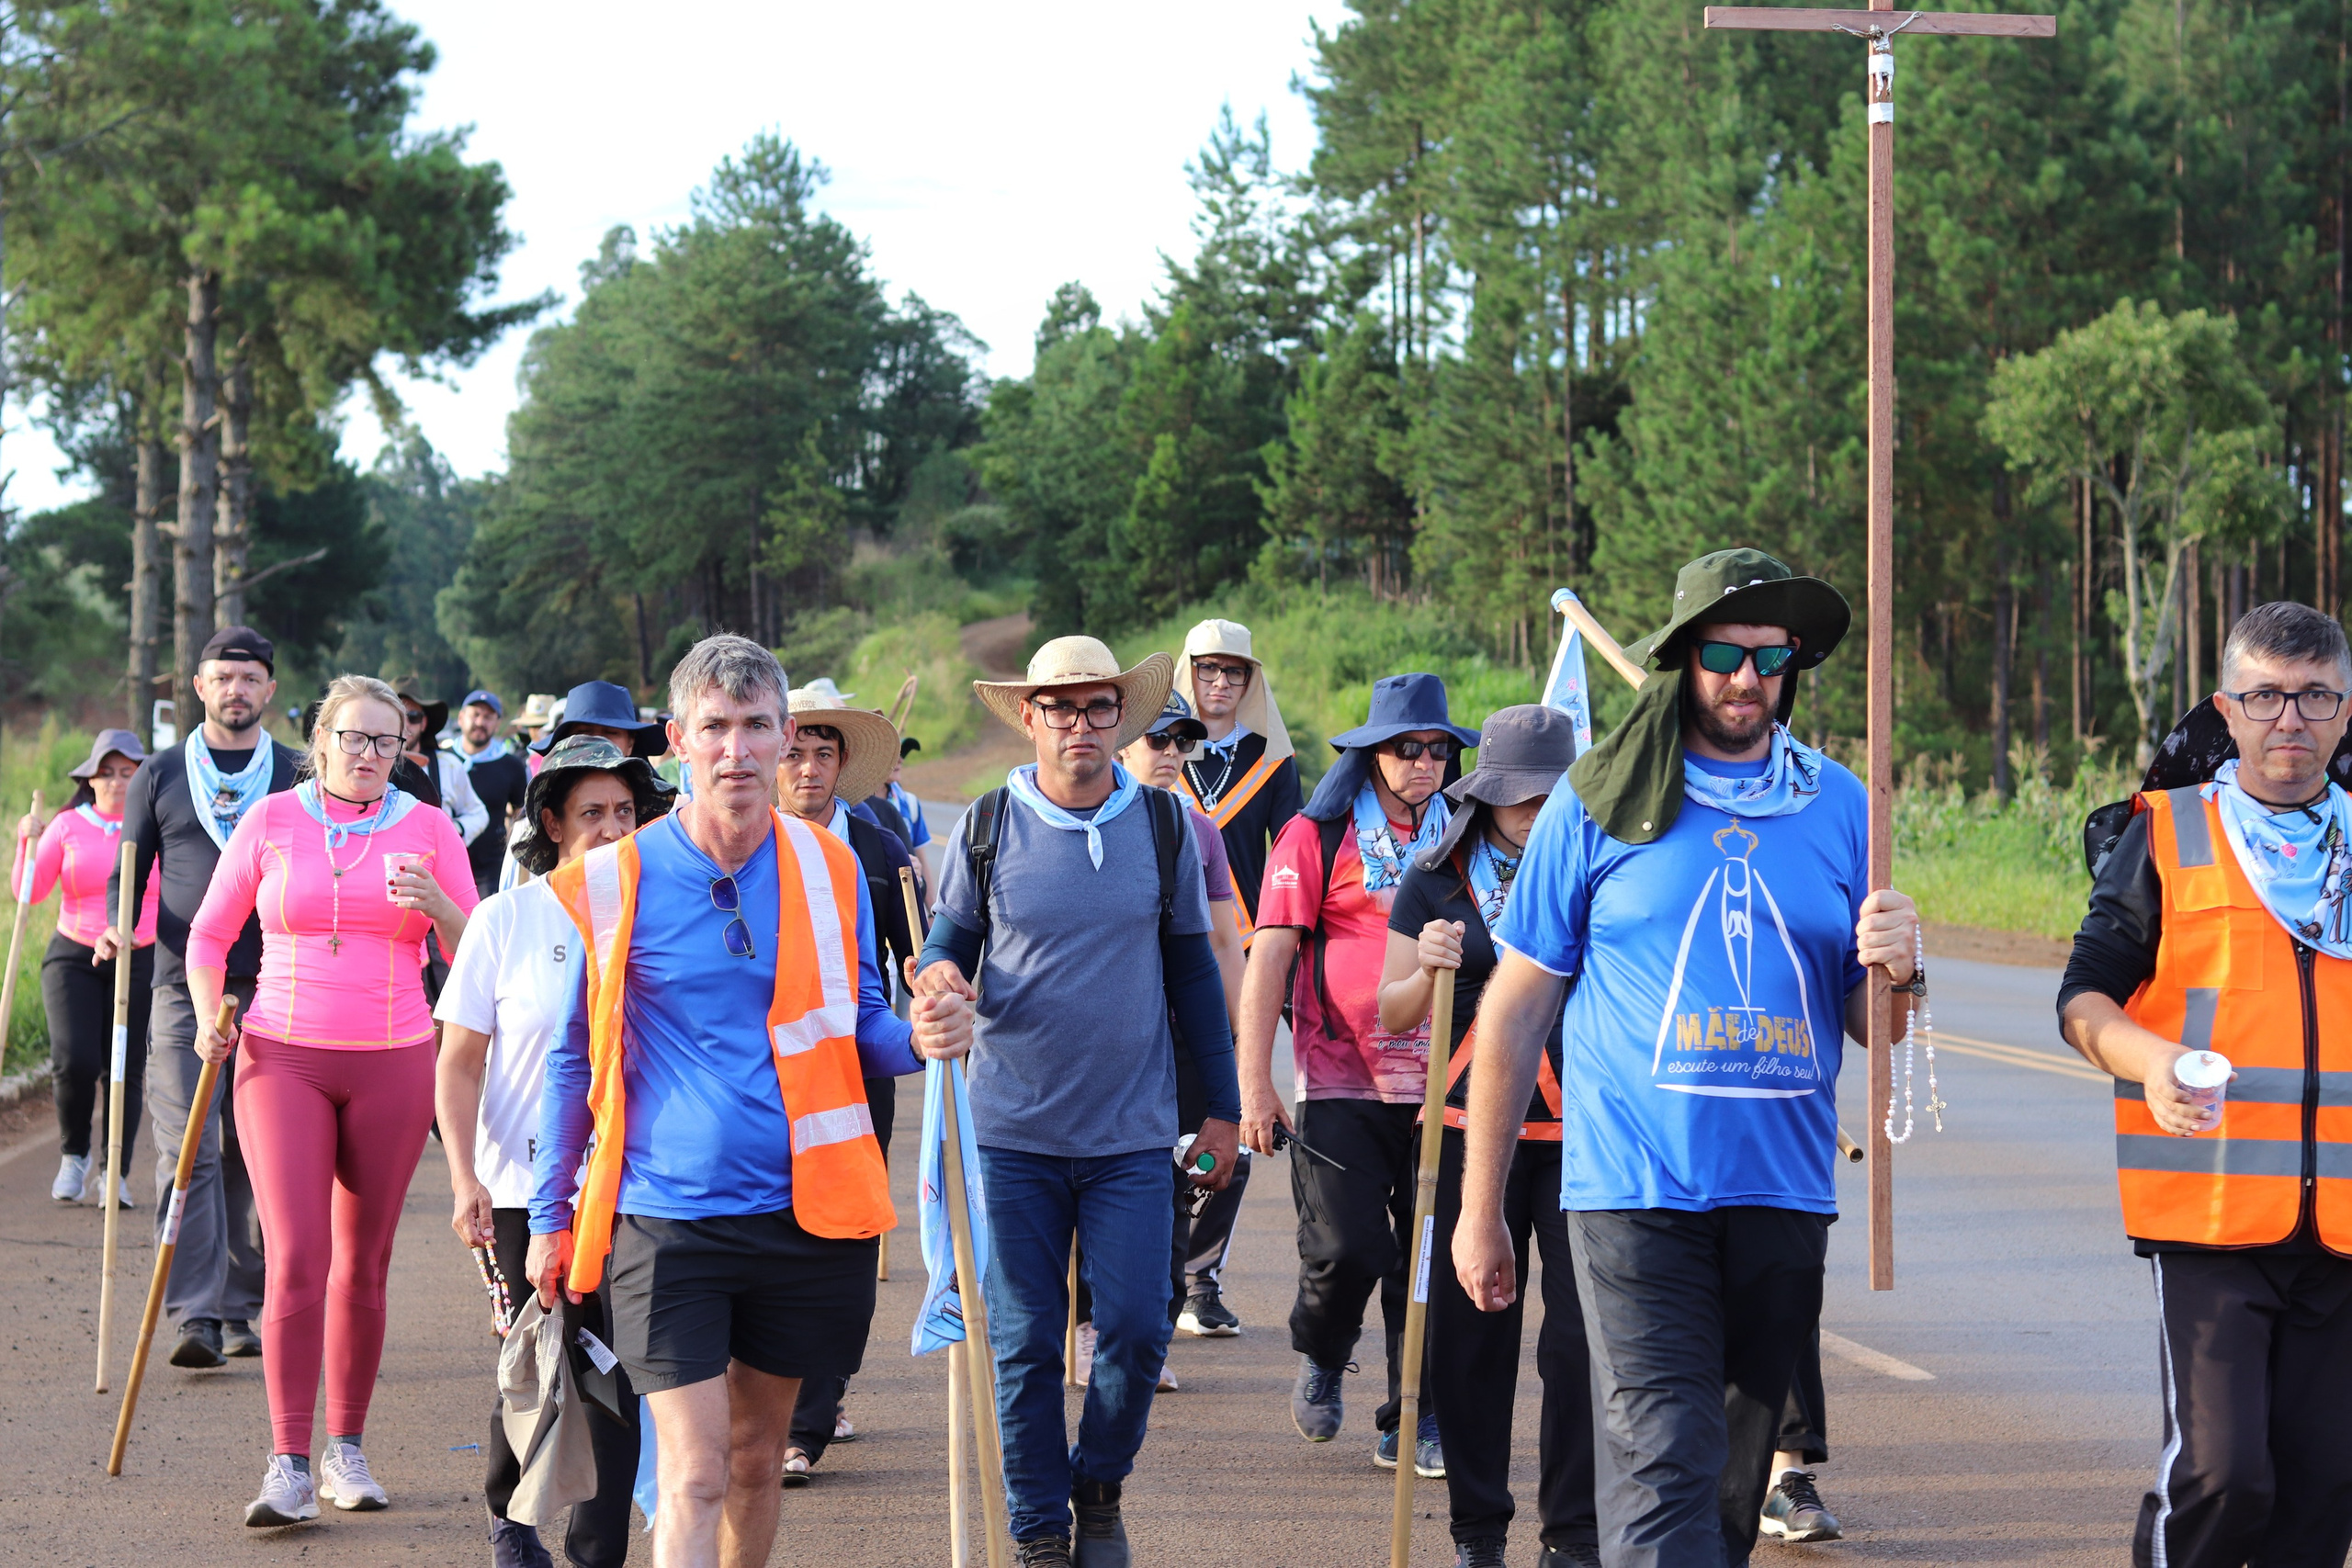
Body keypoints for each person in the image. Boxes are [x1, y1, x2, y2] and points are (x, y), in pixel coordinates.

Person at [1453, 548, 1921, 1568]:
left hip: (1784, 1194)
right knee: (1664, 1463)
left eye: (1771, 656)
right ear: (1679, 658)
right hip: (1633, 1189)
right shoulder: (1595, 799)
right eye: (1723, 651)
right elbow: (1515, 1009)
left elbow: (1867, 1027)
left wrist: (1900, 971)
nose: (1746, 678)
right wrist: (1479, 1207)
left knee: (1722, 1496)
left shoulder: (1841, 805)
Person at [526, 636, 921, 1568]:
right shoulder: (612, 878)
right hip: (667, 1223)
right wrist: (549, 1217)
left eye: (755, 727)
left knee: (753, 1463)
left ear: (786, 736)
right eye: (715, 728)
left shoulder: (831, 867)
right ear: (677, 740)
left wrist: (925, 1039)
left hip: (804, 1215)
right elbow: (571, 1059)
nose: (736, 750)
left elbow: (863, 1018)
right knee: (696, 1472)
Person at [912, 636, 1240, 1568]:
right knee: (1019, 1346)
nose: (1082, 725)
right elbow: (947, 940)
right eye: (1062, 708)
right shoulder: (983, 826)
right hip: (1011, 1131)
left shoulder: (1165, 828)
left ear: (1120, 717)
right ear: (1031, 717)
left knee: (1137, 1325)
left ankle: (1098, 1486)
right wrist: (937, 973)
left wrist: (1219, 1109)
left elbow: (1192, 974)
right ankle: (1039, 1529)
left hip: (1131, 1133)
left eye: (1100, 707)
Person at [2059, 599, 2352, 1568]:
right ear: (2226, 711)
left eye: (2315, 697)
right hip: (2209, 1220)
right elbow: (2083, 999)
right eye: (2266, 696)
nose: (2290, 721)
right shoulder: (2169, 837)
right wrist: (2150, 1064)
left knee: (2321, 1493)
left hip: (2346, 1237)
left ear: (2344, 712)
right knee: (2223, 1476)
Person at [187, 673, 478, 1527]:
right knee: (297, 1254)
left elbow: (478, 958)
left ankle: (345, 1448)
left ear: (404, 749)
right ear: (320, 739)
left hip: (394, 1057)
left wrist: (439, 908)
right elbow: (209, 933)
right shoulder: (272, 817)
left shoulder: (429, 828)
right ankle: (287, 1462)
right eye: (354, 737)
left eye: (387, 741)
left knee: (363, 1263)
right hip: (280, 1055)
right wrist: (211, 1011)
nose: (369, 755)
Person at [437, 735, 673, 1568]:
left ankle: (596, 1550)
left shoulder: (662, 915)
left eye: (625, 812)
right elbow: (459, 1063)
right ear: (552, 823)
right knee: (540, 1358)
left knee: (615, 1373)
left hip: (633, 1183)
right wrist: (463, 1176)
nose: (613, 829)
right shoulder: (507, 919)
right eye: (592, 814)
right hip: (517, 1185)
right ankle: (511, 1517)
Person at [1237, 671, 1476, 1475]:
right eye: (1408, 748)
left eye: (1439, 748)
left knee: (1431, 1259)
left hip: (1449, 1083)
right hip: (1341, 1077)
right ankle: (1323, 1348)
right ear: (1373, 754)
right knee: (1348, 1246)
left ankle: (1415, 1414)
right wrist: (1254, 1086)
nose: (1425, 762)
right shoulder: (1317, 835)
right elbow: (1268, 957)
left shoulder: (1468, 838)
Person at [1378, 705, 1596, 1568]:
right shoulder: (1433, 879)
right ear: (1486, 796)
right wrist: (1428, 962)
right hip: (1469, 1130)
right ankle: (1478, 1531)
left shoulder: (1595, 869)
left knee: (1580, 1338)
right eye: (1521, 796)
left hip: (1583, 1129)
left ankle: (1573, 1534)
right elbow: (1389, 1012)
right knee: (1472, 1337)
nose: (1538, 811)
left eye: (1554, 794)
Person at [103, 625, 299, 1370]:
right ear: (199, 686)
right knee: (188, 1144)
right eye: (223, 677)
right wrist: (121, 927)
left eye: (250, 678)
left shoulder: (294, 771)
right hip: (183, 983)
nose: (236, 690)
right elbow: (132, 870)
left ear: (269, 688)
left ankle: (247, 1306)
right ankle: (197, 1314)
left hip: (280, 980)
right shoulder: (159, 773)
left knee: (257, 1146)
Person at [775, 682, 922, 1483]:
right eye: (793, 751)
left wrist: (926, 993)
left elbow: (920, 956)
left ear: (842, 765)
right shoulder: (738, 844)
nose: (806, 768)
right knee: (771, 1234)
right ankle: (779, 1396)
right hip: (764, 1080)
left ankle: (813, 1411)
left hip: (858, 1069)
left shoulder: (881, 845)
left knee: (843, 1237)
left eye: (822, 753)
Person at [1114, 694, 1250, 1344]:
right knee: (1125, 1180)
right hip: (1115, 1038)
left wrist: (1242, 1047)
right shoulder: (1090, 823)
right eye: (1157, 739)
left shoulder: (1200, 832)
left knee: (1201, 1167)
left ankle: (1183, 1295)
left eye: (1182, 742)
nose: (1171, 754)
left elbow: (1225, 943)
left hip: (1187, 1035)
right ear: (1121, 745)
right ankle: (1095, 1320)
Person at [14, 729, 161, 1206]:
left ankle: (112, 1172)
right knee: (75, 1061)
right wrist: (25, 844)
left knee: (123, 1067)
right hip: (74, 956)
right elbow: (29, 894)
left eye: (128, 772)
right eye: (107, 773)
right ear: (90, 779)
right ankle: (73, 1154)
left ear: (142, 778)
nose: (117, 782)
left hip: (139, 957)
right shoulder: (68, 825)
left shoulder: (157, 826)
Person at [1172, 619, 1304, 943]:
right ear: (1189, 670)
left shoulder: (1272, 760)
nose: (1221, 682)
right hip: (1169, 937)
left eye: (1235, 671)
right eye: (1209, 667)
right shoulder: (1159, 752)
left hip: (1248, 940)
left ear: (1248, 681)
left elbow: (1291, 856)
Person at [449, 688, 531, 899]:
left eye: (488, 717)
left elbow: (521, 814)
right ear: (461, 717)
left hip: (490, 869)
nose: (480, 722)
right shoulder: (443, 760)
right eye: (475, 714)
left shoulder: (511, 765)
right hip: (445, 863)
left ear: (497, 723)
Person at [394, 679, 490, 849]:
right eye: (396, 716)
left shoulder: (448, 765)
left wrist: (456, 829)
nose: (405, 724)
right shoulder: (371, 764)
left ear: (423, 723)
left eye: (413, 717)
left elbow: (478, 814)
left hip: (434, 865)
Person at [532, 680, 667, 759]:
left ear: (630, 744)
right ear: (567, 741)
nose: (597, 742)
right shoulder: (546, 800)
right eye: (584, 732)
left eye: (610, 732)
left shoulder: (661, 804)